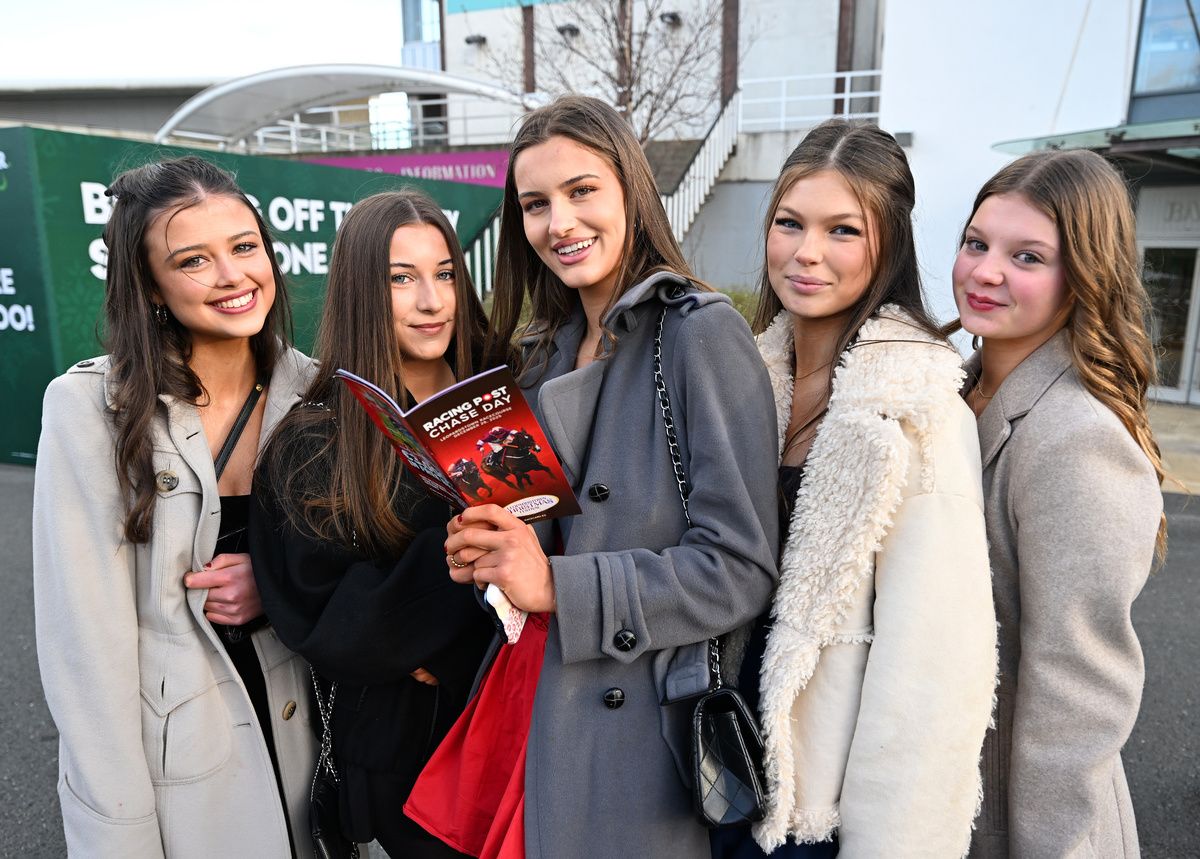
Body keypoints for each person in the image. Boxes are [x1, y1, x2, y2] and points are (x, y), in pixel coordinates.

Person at [404, 95, 780, 858]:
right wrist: (492, 553)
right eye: (535, 204)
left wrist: (559, 588)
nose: (559, 224)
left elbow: (739, 568)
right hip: (531, 707)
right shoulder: (544, 346)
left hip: (634, 744)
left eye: (582, 192)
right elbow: (544, 540)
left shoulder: (702, 331)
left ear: (631, 191)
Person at [32, 155, 316, 857]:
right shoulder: (91, 410)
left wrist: (274, 585)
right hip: (186, 771)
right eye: (194, 259)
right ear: (151, 286)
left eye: (245, 247)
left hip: (318, 746)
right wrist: (117, 836)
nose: (233, 275)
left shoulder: (319, 390)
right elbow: (88, 660)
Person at [729, 120, 997, 859]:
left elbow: (933, 673)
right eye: (790, 223)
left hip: (816, 804)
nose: (806, 252)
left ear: (889, 244)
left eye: (842, 229)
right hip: (715, 764)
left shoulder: (920, 406)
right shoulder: (745, 378)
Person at [249, 190, 497, 858]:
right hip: (402, 761)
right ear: (361, 288)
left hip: (522, 721)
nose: (432, 300)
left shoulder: (511, 388)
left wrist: (441, 642)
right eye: (401, 278)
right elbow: (331, 619)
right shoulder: (318, 437)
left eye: (445, 272)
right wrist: (461, 594)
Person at [954, 149, 1164, 859]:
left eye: (1028, 256)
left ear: (1084, 278)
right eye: (977, 243)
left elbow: (1077, 700)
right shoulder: (955, 394)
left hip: (1021, 824)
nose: (986, 271)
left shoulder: (1076, 441)